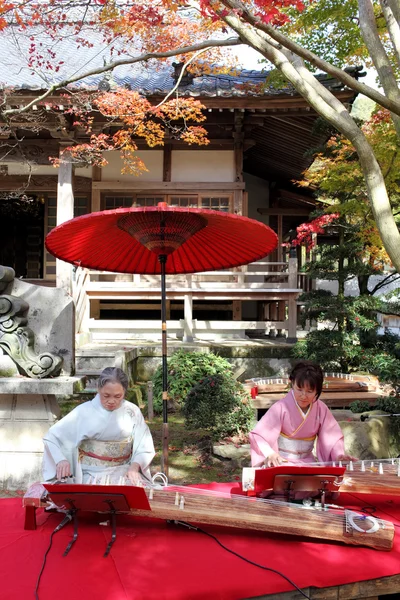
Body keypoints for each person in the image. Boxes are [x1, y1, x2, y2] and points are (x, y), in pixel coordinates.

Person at [42, 367, 155, 485]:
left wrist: (134, 467)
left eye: (118, 396)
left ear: (124, 392)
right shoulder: (84, 411)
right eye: (106, 395)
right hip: (91, 475)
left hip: (124, 472)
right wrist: (61, 459)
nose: (111, 401)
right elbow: (52, 437)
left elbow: (144, 444)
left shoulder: (132, 411)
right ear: (98, 389)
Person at [249, 361, 356, 467]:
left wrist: (339, 455)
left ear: (317, 391)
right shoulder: (280, 407)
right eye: (299, 389)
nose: (303, 396)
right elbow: (259, 435)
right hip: (283, 462)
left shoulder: (321, 409)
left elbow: (333, 437)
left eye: (309, 391)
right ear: (292, 383)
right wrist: (270, 454)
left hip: (309, 462)